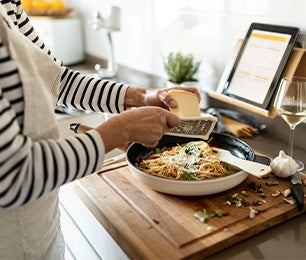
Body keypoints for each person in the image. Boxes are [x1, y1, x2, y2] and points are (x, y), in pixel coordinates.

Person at [0, 1, 200, 259]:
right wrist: (122, 130)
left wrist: (142, 96)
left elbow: (59, 80)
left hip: (40, 227)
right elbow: (14, 175)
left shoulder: (9, 4)